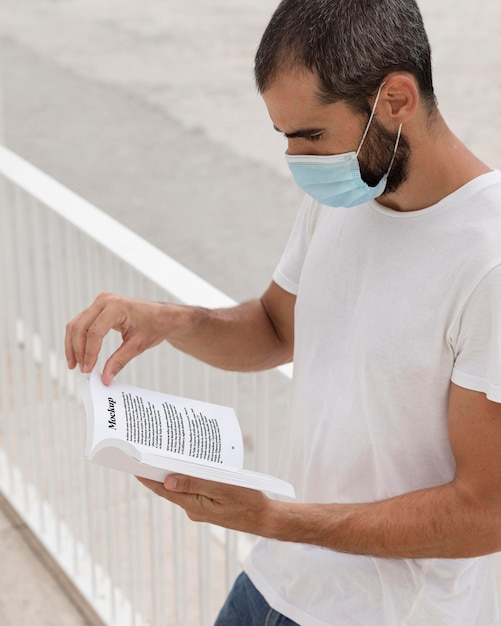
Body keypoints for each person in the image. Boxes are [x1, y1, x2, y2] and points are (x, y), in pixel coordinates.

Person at [65, 0, 501, 623]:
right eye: (285, 135)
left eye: (311, 135)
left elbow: (486, 512)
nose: (297, 158)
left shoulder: (489, 263)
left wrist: (276, 516)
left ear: (397, 99)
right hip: (276, 581)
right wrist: (170, 320)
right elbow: (276, 328)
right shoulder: (347, 192)